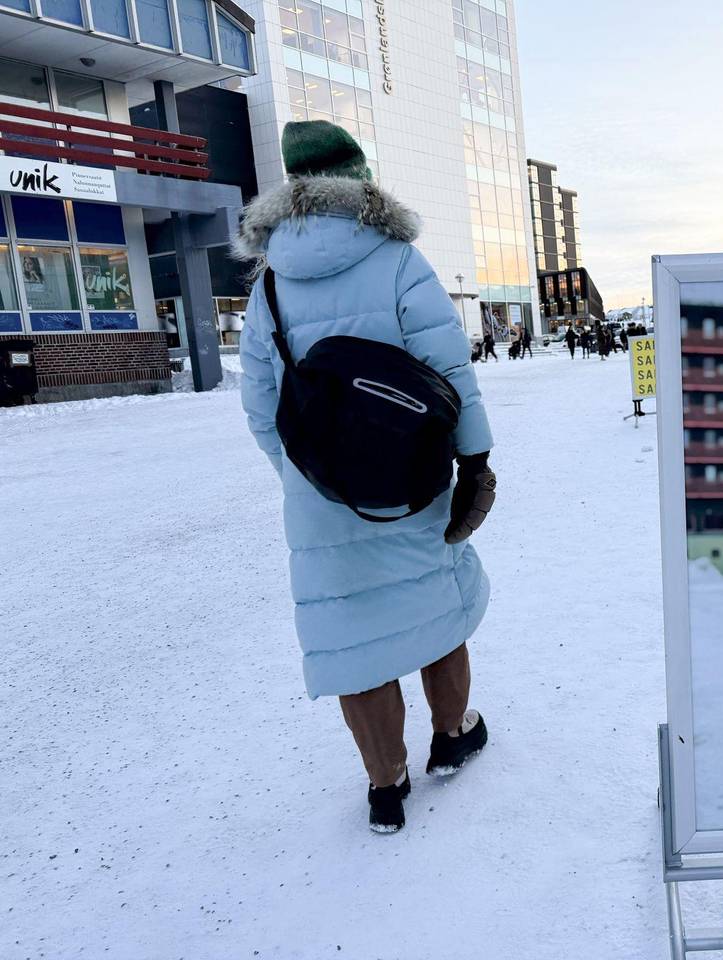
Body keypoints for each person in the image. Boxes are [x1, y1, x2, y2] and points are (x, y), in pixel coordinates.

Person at [237, 120, 497, 834]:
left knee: (353, 635)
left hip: (321, 500)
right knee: (432, 604)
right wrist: (474, 461)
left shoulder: (270, 285)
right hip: (412, 478)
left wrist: (311, 476)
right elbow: (450, 371)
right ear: (358, 179)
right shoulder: (398, 259)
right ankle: (452, 735)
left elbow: (259, 405)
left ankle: (387, 784)